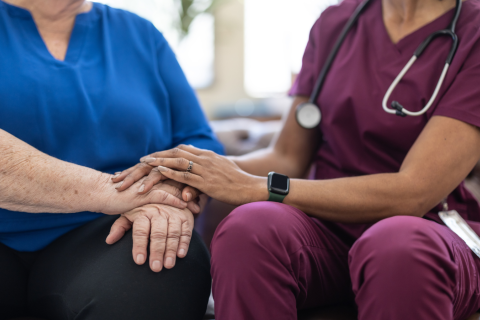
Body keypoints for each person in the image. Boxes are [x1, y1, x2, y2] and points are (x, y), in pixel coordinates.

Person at [116, 0, 480, 318]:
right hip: (330, 234)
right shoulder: (336, 24)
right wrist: (193, 172)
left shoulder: (473, 33)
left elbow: (413, 192)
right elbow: (288, 156)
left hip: (428, 233)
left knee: (396, 246)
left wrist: (255, 186)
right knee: (250, 229)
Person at [0, 0, 224, 319]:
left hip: (112, 230)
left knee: (167, 265)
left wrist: (173, 189)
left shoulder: (141, 34)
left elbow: (199, 141)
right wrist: (116, 192)